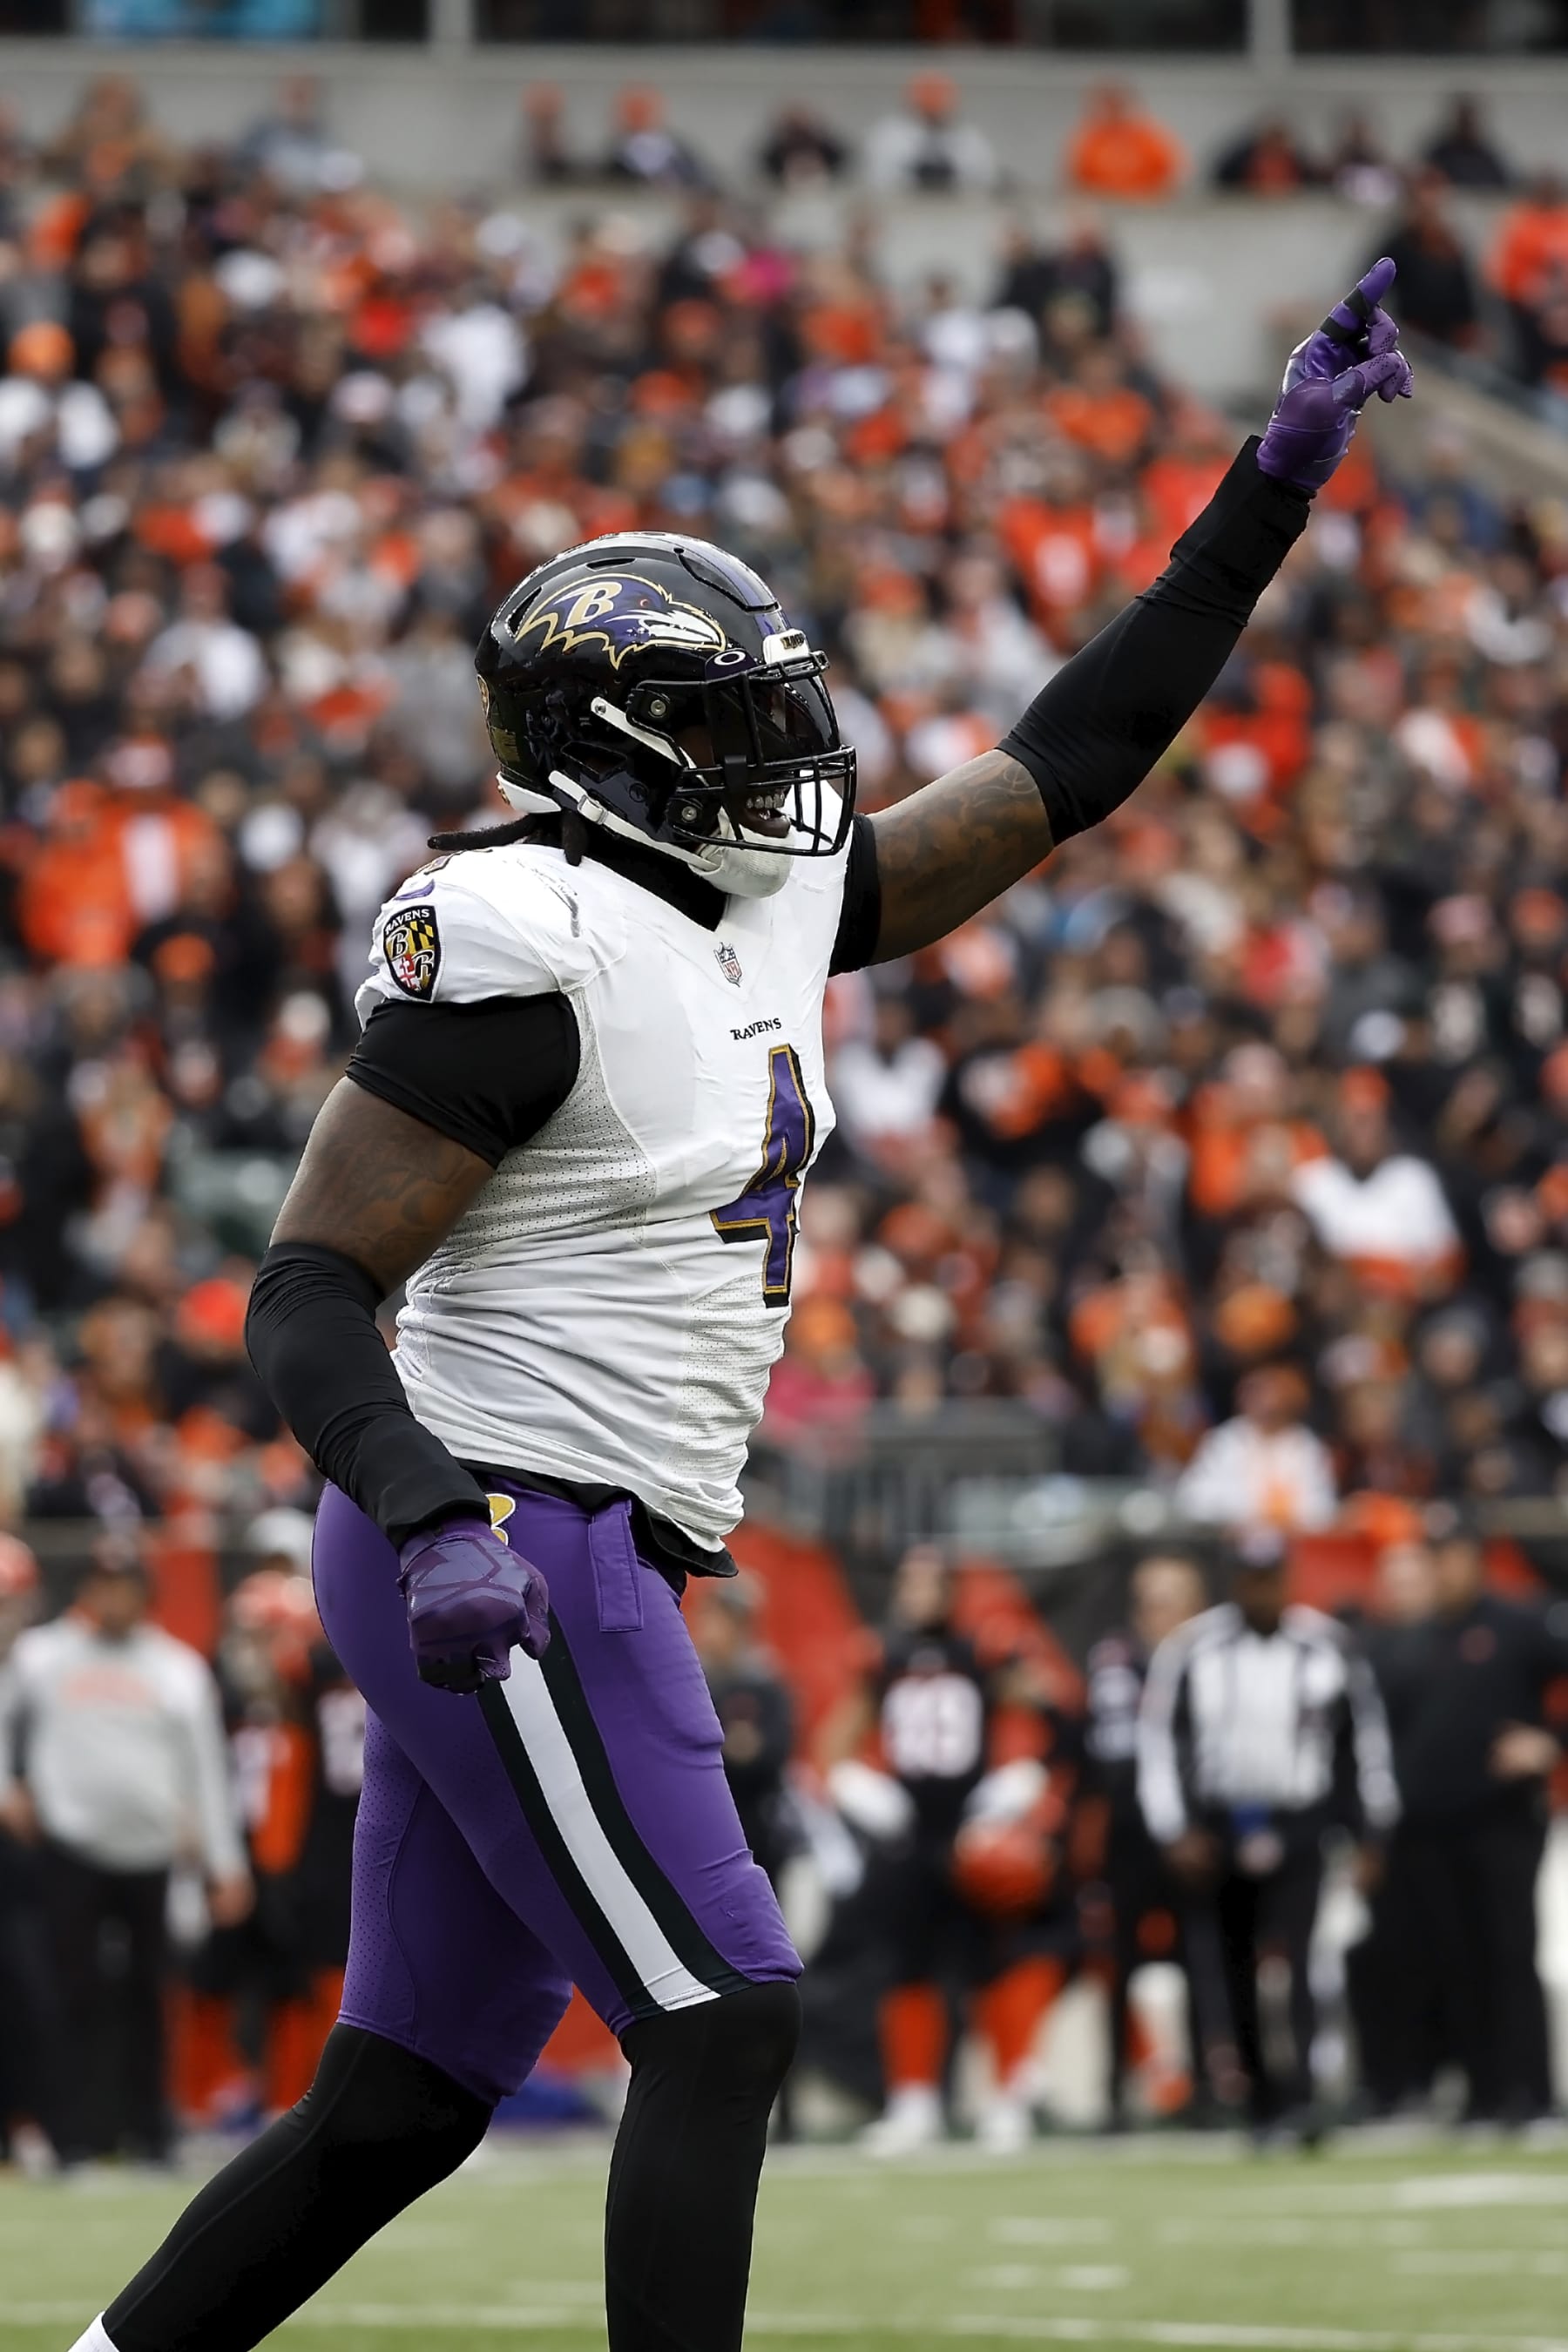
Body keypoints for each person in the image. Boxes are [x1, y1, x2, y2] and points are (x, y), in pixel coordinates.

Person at [71, 263, 1413, 2352]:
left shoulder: (770, 897)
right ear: (606, 756)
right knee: (726, 2005)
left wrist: (1263, 494)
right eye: (725, 718)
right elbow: (310, 1287)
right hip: (506, 1530)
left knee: (401, 2098)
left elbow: (1066, 760)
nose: (780, 747)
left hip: (581, 1539)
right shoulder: (525, 936)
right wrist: (428, 1517)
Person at [1137, 1537, 1399, 2139]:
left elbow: (1364, 1745)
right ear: (1234, 1581)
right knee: (1233, 1967)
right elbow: (1160, 1743)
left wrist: (1371, 1831)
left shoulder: (1326, 1646)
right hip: (1223, 1822)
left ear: (1287, 1578)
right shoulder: (1194, 1647)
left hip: (1300, 1818)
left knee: (1305, 1961)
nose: (1260, 1590)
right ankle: (1257, 2097)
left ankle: (1304, 2096)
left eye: (1270, 1577)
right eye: (1249, 1577)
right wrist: (1175, 1829)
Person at [0, 1547, 251, 2166]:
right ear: (87, 1588)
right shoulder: (41, 1657)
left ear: (145, 1593)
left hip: (152, 1852)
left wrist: (226, 1864)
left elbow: (207, 1773)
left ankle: (153, 2132)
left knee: (151, 1997)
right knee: (68, 1996)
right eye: (104, 1586)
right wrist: (8, 1792)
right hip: (70, 1849)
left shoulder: (176, 1668)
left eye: (125, 1586)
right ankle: (73, 2137)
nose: (114, 1599)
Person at [1371, 1517, 1568, 2124]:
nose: (1444, 1566)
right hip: (1426, 1827)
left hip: (1502, 1819)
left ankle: (1528, 2092)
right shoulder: (1409, 1639)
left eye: (1453, 1554)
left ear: (1477, 1558)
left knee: (1510, 1951)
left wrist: (1549, 1741)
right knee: (1452, 1960)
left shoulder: (1519, 1624)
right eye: (1436, 1554)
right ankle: (1480, 2092)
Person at [1080, 1551, 1206, 2125]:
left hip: (1200, 1830)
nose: (1156, 1614)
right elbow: (1112, 1750)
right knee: (1121, 1959)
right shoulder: (1117, 1659)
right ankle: (1114, 2093)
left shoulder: (1211, 1656)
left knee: (1206, 1956)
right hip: (1131, 1830)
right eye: (1149, 1600)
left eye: (1170, 1600)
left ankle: (1209, 2084)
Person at [694, 1579, 795, 1891]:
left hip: (754, 1821)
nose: (708, 1628)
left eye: (719, 1618)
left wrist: (733, 1748)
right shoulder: (692, 1680)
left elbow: (774, 1752)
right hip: (702, 1817)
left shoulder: (765, 1684)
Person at [1175, 1361, 1338, 1534]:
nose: (1267, 1403)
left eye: (1274, 1393)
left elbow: (1323, 1507)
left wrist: (1285, 1513)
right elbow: (1192, 1498)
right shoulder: (1226, 1441)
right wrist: (1253, 1509)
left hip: (1292, 1543)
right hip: (1230, 1545)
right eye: (1258, 1393)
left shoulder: (1306, 1445)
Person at [1374, 172, 1480, 350]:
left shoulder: (1450, 244)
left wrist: (1468, 325)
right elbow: (1373, 281)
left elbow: (1464, 290)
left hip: (1449, 336)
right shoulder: (1400, 243)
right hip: (1412, 334)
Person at [864, 73, 997, 196]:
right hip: (904, 209)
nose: (932, 107)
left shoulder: (969, 138)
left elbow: (983, 177)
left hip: (955, 212)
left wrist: (948, 177)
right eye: (926, 97)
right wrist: (919, 176)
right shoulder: (890, 134)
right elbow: (880, 177)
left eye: (938, 97)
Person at [1064, 84, 1185, 204]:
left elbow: (1170, 175)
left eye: (1116, 106)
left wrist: (1147, 197)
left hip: (1145, 204)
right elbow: (1076, 179)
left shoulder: (1150, 136)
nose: (1111, 112)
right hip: (1102, 203)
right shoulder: (1090, 138)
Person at [1421, 96, 1512, 192]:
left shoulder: (1487, 157)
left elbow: (1505, 184)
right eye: (1464, 121)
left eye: (1471, 121)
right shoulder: (1440, 155)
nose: (1468, 126)